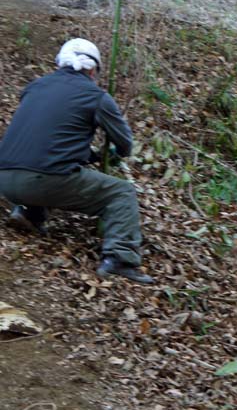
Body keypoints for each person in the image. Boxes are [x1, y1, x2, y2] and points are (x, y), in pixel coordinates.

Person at [0, 38, 154, 284]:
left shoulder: (35, 87)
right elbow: (125, 143)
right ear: (92, 70)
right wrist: (114, 154)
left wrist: (88, 155)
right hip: (42, 180)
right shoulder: (96, 96)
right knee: (121, 192)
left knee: (51, 165)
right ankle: (120, 258)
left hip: (4, 178)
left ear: (61, 63)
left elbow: (48, 139)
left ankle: (30, 212)